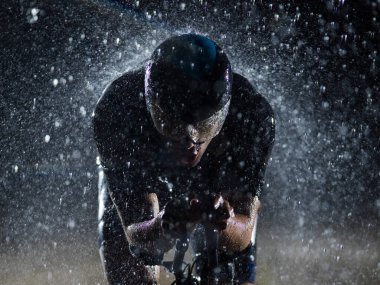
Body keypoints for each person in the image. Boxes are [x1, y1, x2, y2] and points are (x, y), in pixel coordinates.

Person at [93, 34, 275, 285]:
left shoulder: (251, 116)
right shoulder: (119, 109)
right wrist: (161, 226)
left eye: (204, 124)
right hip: (147, 172)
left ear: (222, 113)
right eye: (174, 125)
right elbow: (135, 233)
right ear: (152, 106)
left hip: (211, 175)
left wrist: (224, 223)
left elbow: (241, 235)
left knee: (228, 267)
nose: (189, 139)